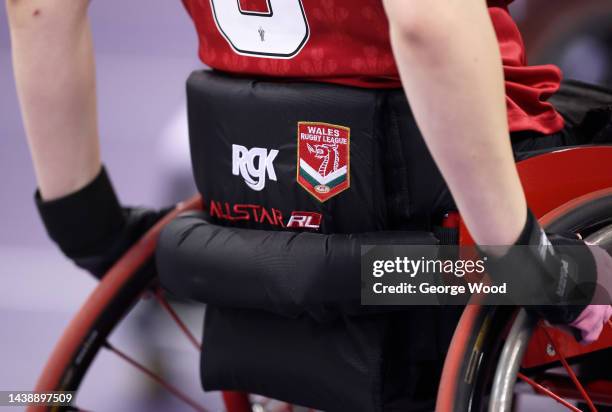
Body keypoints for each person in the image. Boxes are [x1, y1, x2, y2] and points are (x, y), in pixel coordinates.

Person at [7, 0, 612, 409]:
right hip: (455, 188)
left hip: (253, 179)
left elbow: (40, 11)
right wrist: (520, 258)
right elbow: (428, 24)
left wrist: (82, 220)